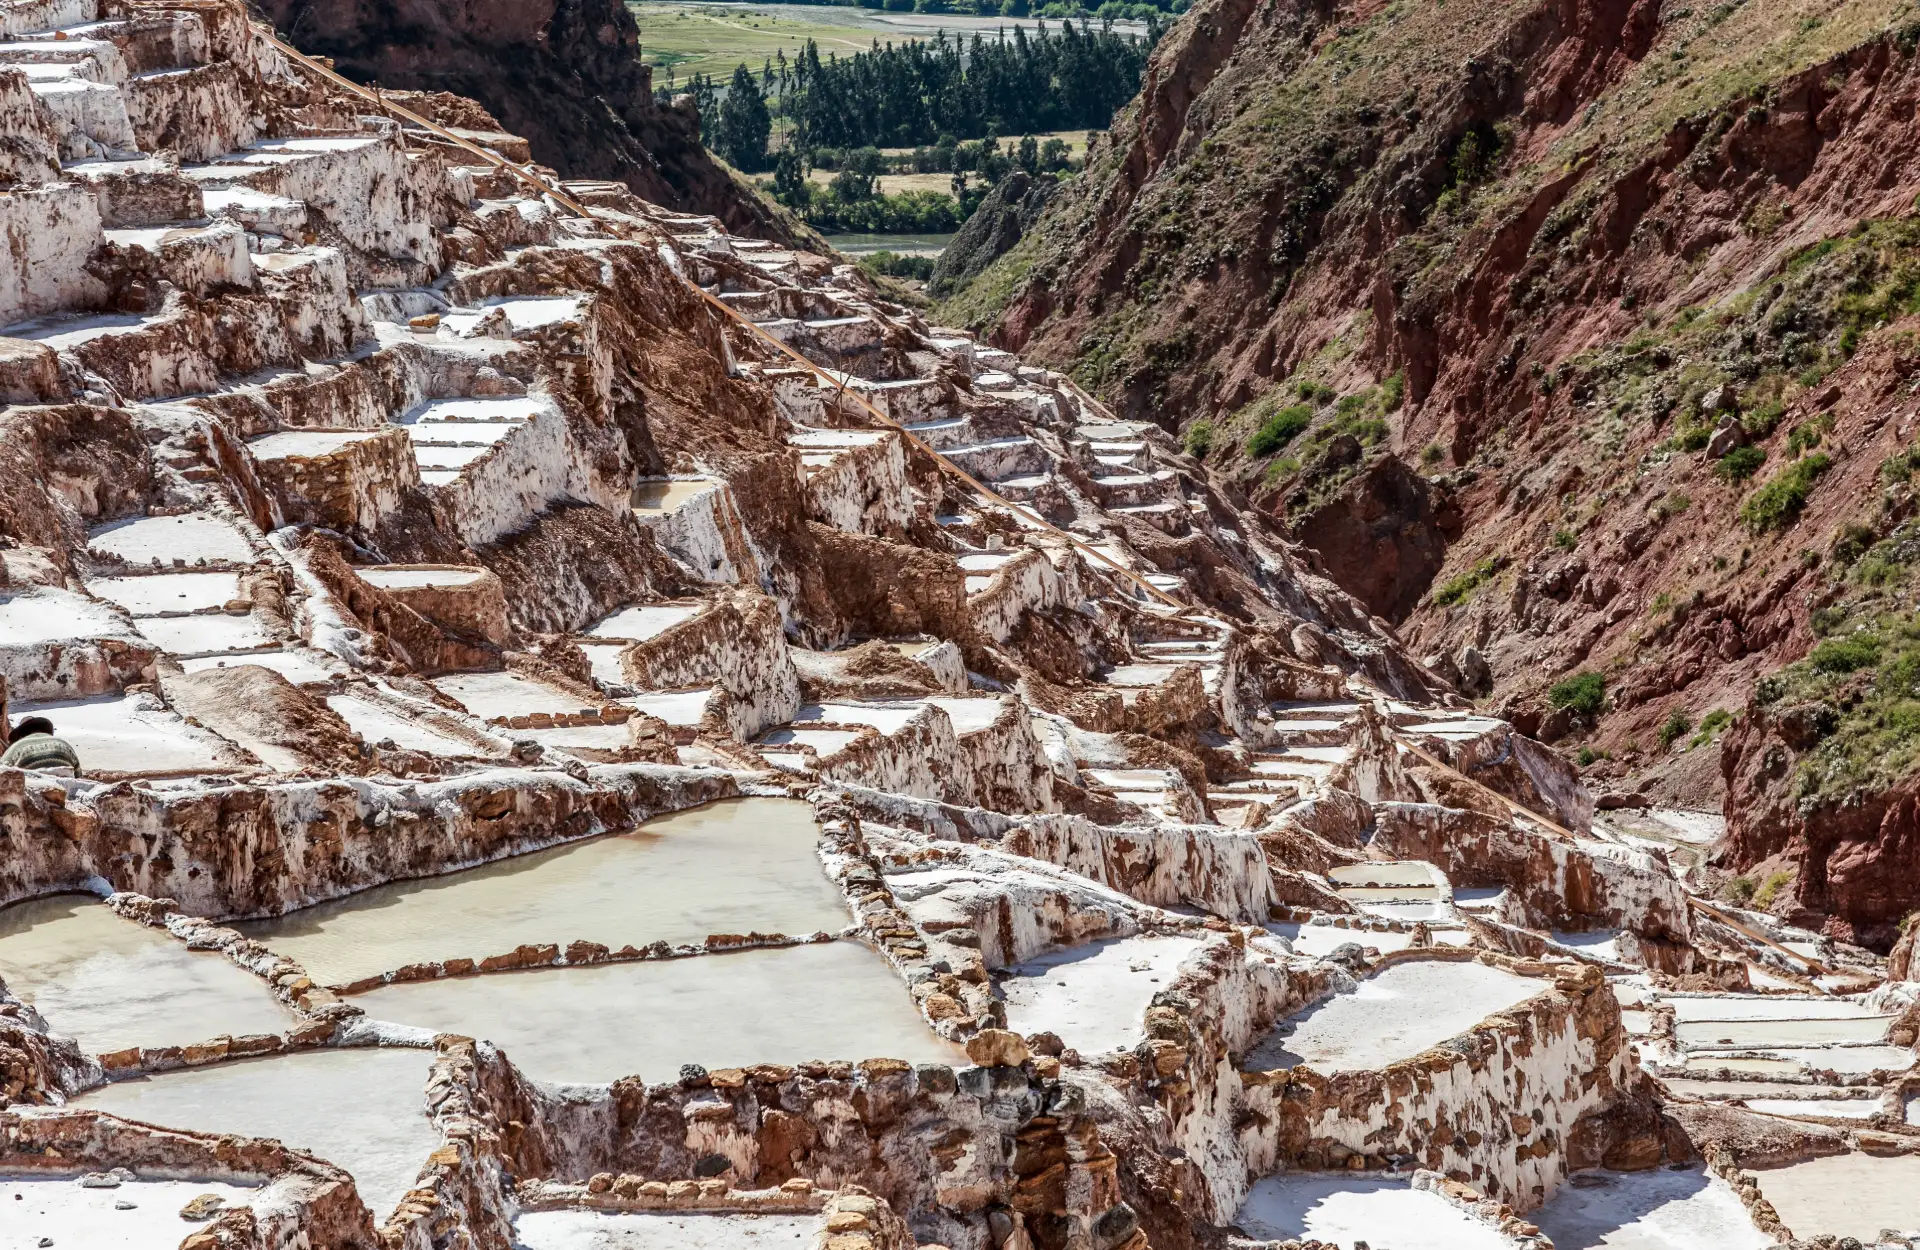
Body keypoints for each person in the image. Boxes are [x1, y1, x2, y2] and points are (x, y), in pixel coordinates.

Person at [1, 716, 80, 777]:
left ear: (20, 735)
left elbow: (2, 771)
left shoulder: (16, 747)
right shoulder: (63, 744)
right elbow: (78, 776)